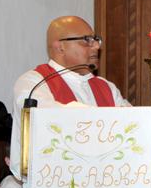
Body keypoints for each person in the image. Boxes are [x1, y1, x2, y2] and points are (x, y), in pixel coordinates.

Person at [10, 16, 130, 178]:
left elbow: (131, 124)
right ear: (60, 47)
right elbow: (52, 121)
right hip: (52, 180)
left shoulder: (106, 87)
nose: (96, 46)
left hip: (105, 179)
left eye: (96, 40)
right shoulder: (33, 82)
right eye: (87, 40)